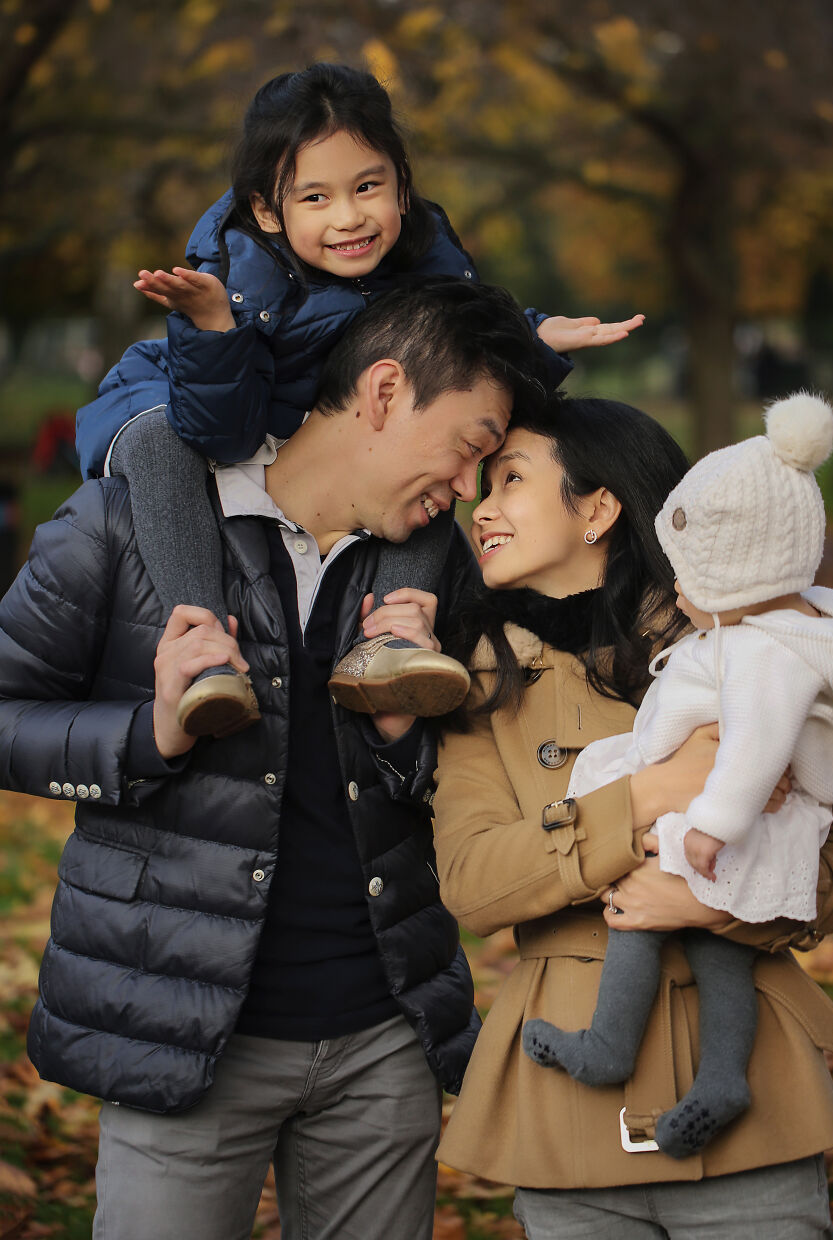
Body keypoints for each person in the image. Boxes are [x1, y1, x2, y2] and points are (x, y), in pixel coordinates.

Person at [0, 279, 546, 1240]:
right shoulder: (123, 523)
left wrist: (405, 737)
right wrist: (151, 735)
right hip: (179, 1039)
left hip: (386, 1045)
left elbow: (474, 778)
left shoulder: (439, 567)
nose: (469, 487)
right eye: (470, 446)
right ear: (383, 392)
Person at [76, 61, 643, 738]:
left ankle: (392, 644)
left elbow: (459, 356)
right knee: (159, 445)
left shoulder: (427, 255)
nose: (350, 218)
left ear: (402, 187)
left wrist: (534, 335)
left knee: (434, 476)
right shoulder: (241, 280)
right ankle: (203, 647)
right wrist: (215, 331)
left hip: (310, 430)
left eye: (368, 186)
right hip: (203, 398)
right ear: (266, 209)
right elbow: (219, 433)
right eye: (315, 198)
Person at [432, 395, 833, 1237]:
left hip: (755, 1114)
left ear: (597, 506)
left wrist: (713, 908)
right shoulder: (478, 685)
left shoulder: (751, 647)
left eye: (511, 480)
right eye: (482, 486)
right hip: (568, 1125)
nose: (480, 507)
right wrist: (647, 797)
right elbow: (473, 886)